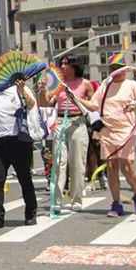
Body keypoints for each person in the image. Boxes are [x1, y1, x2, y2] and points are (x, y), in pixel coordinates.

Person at [0, 76, 40, 230]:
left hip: (19, 141)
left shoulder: (21, 89)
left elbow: (32, 105)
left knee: (25, 179)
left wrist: (22, 91)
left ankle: (30, 213)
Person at [92, 53, 136, 217]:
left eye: (119, 68)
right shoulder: (104, 87)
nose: (116, 71)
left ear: (126, 69)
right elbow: (92, 105)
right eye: (113, 68)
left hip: (126, 131)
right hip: (107, 131)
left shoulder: (133, 86)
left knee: (127, 166)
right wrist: (74, 97)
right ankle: (116, 203)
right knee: (111, 167)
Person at [38, 55, 96, 212]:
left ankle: (76, 200)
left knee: (77, 162)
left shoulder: (85, 84)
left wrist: (76, 98)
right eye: (61, 63)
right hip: (60, 123)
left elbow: (93, 106)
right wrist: (42, 88)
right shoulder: (57, 85)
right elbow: (45, 103)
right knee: (58, 162)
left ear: (74, 65)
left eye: (66, 63)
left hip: (78, 122)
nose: (63, 66)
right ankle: (56, 200)